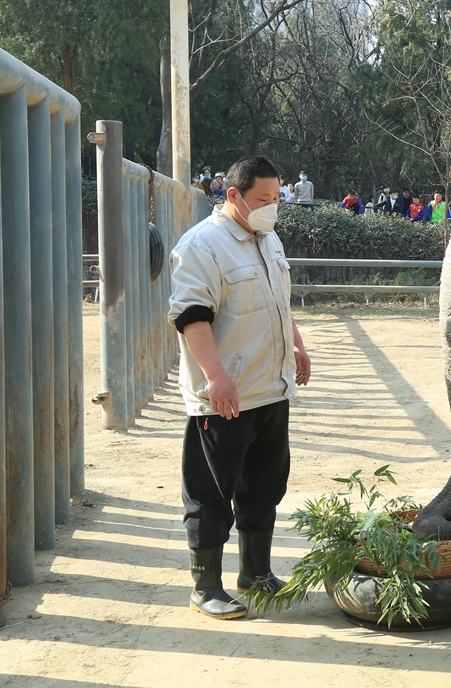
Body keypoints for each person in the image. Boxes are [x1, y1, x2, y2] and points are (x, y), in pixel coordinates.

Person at [167, 155, 311, 621]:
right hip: (225, 395)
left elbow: (279, 302)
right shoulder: (202, 246)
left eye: (276, 198)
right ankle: (205, 585)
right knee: (210, 492)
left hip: (271, 388)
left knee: (265, 487)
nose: (272, 207)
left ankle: (256, 572)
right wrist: (215, 377)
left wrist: (298, 346)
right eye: (262, 200)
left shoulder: (268, 238)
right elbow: (191, 317)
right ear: (233, 196)